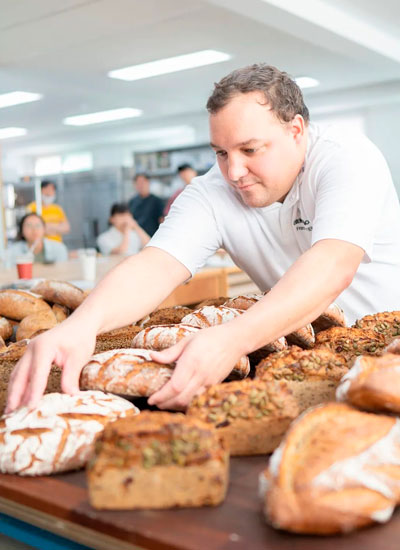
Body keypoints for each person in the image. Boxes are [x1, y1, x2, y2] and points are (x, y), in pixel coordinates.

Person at [7, 63, 400, 415]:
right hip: (306, 365)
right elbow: (155, 265)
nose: (233, 171)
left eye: (249, 149)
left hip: (389, 355)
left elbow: (333, 265)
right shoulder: (213, 191)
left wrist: (233, 339)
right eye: (220, 153)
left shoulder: (347, 158)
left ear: (296, 130)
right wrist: (83, 324)